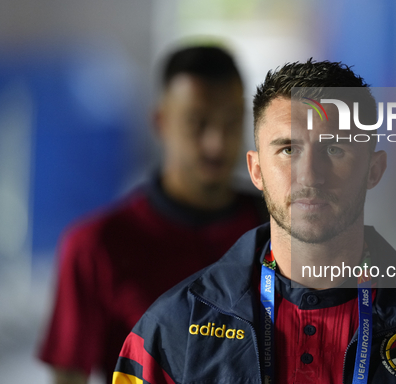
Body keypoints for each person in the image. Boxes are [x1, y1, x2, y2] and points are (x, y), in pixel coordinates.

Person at [112, 60, 396, 383]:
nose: (310, 174)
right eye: (288, 149)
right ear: (256, 170)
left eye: (335, 148)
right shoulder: (173, 329)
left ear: (373, 168)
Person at [38, 46, 268, 384]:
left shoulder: (279, 230)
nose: (216, 143)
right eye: (198, 122)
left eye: (231, 122)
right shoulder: (97, 246)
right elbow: (68, 375)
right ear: (161, 122)